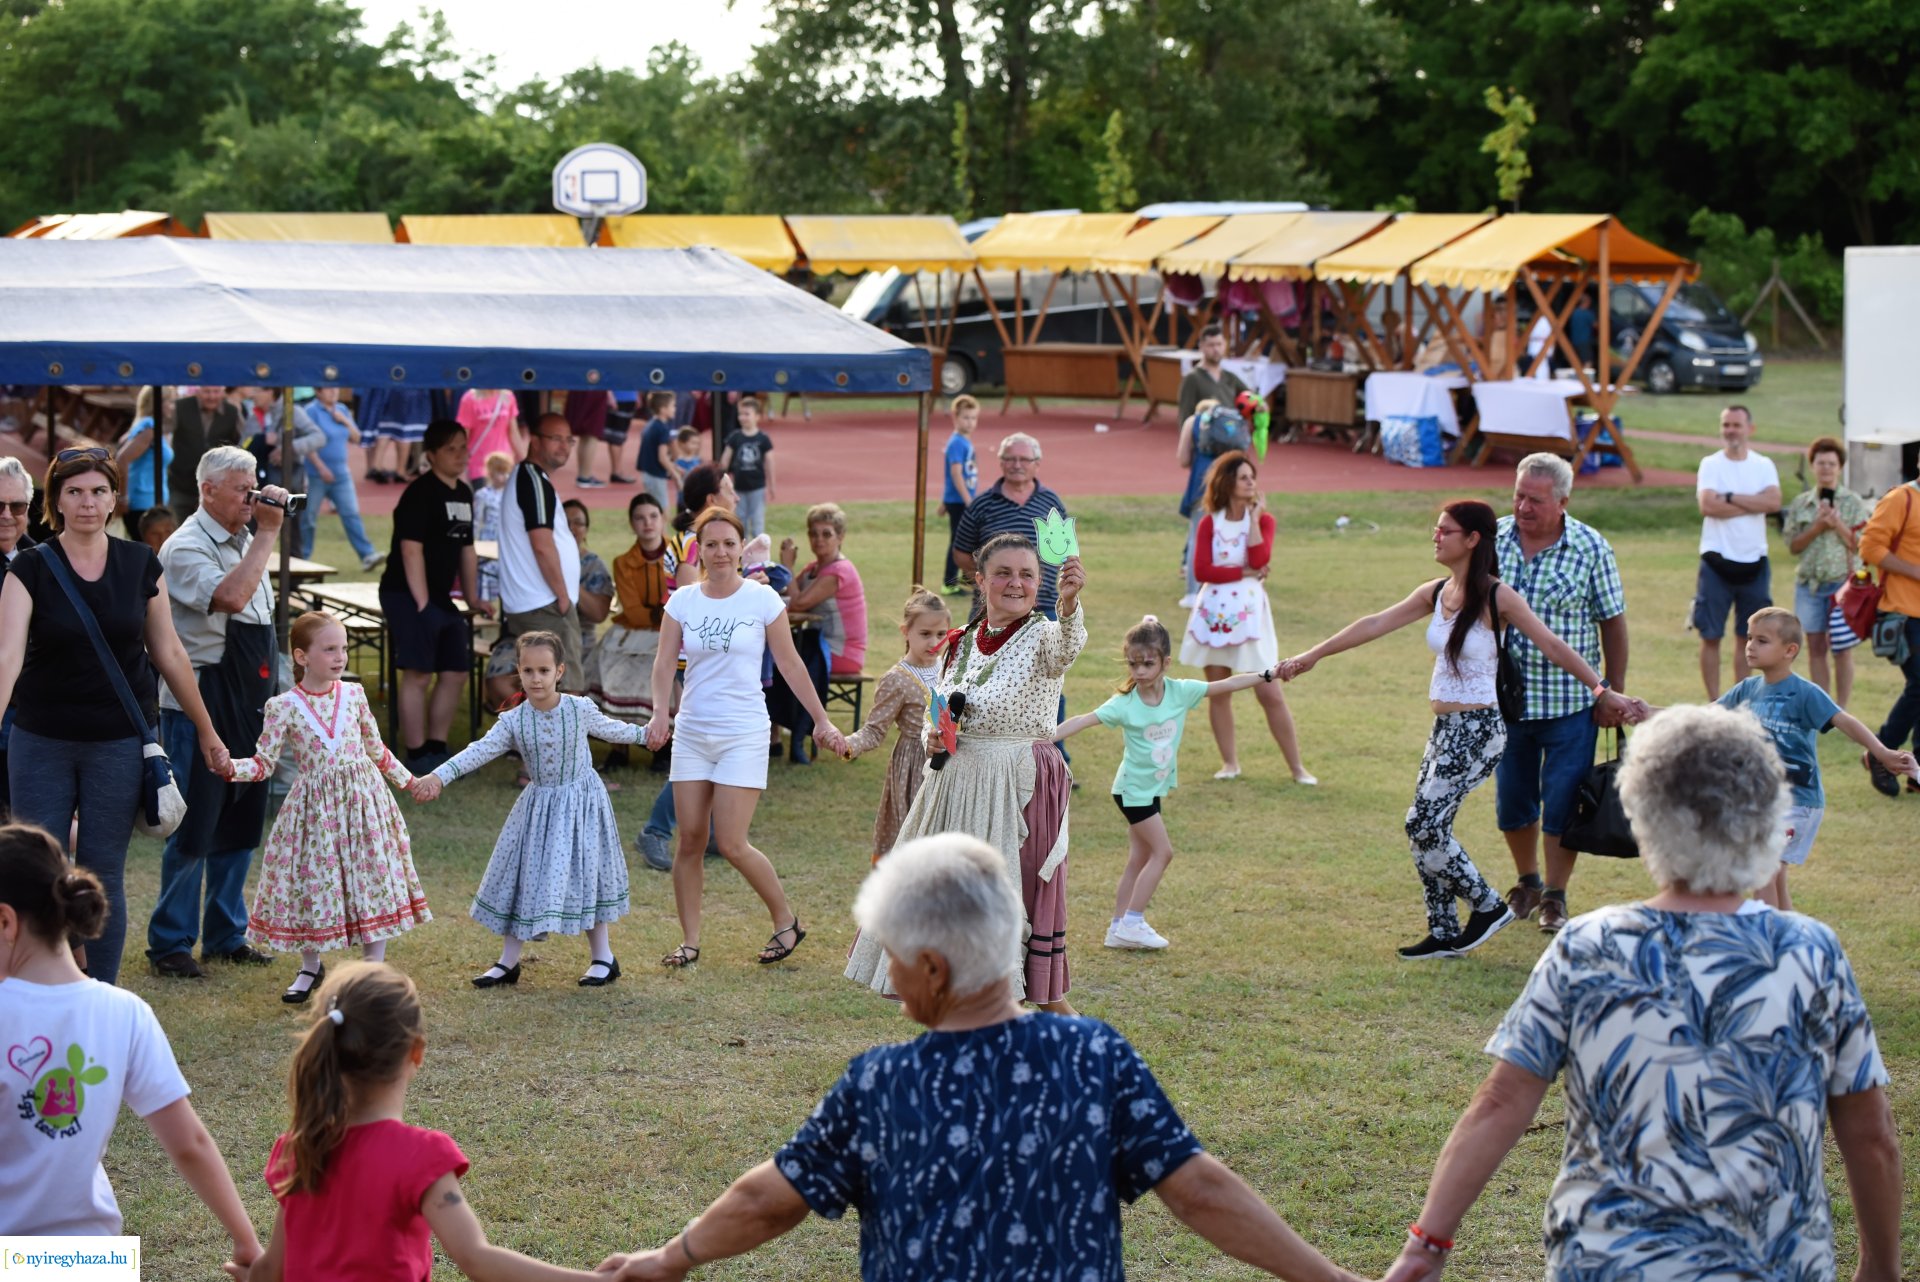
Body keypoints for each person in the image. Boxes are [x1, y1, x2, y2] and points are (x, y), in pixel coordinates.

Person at [597, 833, 1364, 1282]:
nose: (890, 975)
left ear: (932, 968)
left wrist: (670, 1258)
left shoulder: (879, 1085)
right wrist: (1329, 1280)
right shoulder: (1093, 1054)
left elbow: (769, 1200)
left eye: (895, 957)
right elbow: (1200, 1190)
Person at [1381, 704, 1902, 1282]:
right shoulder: (1811, 953)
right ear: (1767, 818)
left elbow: (1501, 1104)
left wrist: (1426, 1245)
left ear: (1641, 813)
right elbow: (1870, 1133)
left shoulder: (1588, 944)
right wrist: (1881, 1265)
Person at [1279, 501, 1644, 960]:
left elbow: (1552, 644)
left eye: (1445, 531)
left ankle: (1488, 907)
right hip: (1445, 727)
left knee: (1422, 822)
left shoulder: (1498, 596)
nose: (1436, 536)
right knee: (1427, 828)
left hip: (1478, 729)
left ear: (1472, 539)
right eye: (1436, 529)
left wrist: (1602, 690)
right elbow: (1373, 623)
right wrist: (1312, 655)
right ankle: (1444, 929)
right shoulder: (1435, 592)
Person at [0, 449, 230, 985]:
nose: (87, 502)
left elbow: (169, 652)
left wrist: (206, 729)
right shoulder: (30, 567)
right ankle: (38, 988)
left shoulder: (139, 564)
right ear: (55, 500)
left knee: (104, 873)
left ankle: (99, 994)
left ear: (114, 499)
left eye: (99, 491)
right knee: (39, 871)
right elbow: (7, 658)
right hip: (42, 739)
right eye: (75, 491)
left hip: (119, 741)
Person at [0, 824, 263, 1264]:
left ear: (5, 921)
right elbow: (190, 1143)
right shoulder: (125, 1012)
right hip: (94, 1258)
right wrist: (247, 1241)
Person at [845, 534, 1085, 1009]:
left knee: (1011, 929)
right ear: (980, 580)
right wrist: (930, 737)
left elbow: (1066, 648)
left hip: (1015, 788)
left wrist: (1071, 603)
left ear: (1041, 582)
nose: (1015, 583)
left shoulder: (1042, 634)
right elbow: (940, 715)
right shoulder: (961, 643)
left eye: (1027, 574)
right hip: (954, 788)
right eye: (1003, 573)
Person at [249, 962, 601, 1282]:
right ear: (416, 1052)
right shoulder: (421, 1156)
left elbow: (271, 1269)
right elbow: (476, 1258)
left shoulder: (298, 1146)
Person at [645, 506, 847, 969]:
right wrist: (661, 713)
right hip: (693, 731)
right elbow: (662, 664)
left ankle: (786, 921)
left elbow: (792, 664)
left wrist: (820, 720)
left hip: (743, 732)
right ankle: (690, 941)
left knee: (732, 842)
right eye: (711, 544)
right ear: (700, 549)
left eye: (729, 544)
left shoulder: (762, 600)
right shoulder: (682, 602)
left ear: (741, 550)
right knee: (690, 839)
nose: (720, 552)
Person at [414, 632, 644, 988]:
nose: (536, 678)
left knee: (588, 876)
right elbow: (479, 750)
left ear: (559, 671)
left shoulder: (579, 709)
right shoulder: (514, 720)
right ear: (518, 673)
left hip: (581, 805)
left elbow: (612, 730)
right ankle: (508, 963)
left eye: (544, 670)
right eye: (528, 670)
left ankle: (603, 957)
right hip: (538, 809)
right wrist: (439, 776)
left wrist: (650, 734)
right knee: (523, 878)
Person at [224, 613, 428, 1002]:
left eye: (344, 648)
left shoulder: (354, 695)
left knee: (371, 876)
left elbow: (376, 749)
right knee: (312, 882)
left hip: (363, 804)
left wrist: (410, 782)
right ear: (301, 656)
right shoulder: (282, 706)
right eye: (330, 649)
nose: (340, 657)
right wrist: (230, 767)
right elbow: (264, 763)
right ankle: (310, 965)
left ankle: (372, 968)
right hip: (315, 811)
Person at [145, 447, 289, 981]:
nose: (252, 497)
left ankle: (227, 934)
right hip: (198, 703)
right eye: (241, 489)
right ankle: (171, 943)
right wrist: (270, 535)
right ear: (207, 490)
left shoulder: (247, 539)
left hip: (248, 702)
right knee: (195, 826)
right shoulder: (184, 547)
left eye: (254, 486)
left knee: (240, 823)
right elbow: (231, 597)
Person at [1056, 614, 1285, 951]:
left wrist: (1266, 675)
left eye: (1147, 664)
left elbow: (1226, 685)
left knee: (1139, 858)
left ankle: (1117, 928)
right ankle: (1133, 920)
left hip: (1151, 789)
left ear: (1165, 663)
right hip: (1133, 792)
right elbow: (1081, 720)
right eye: (1133, 664)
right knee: (1163, 853)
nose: (1139, 672)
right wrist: (1043, 738)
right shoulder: (1124, 704)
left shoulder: (1180, 692)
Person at [1493, 453, 1629, 935]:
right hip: (1506, 703)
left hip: (1571, 703)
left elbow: (1613, 623)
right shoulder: (1492, 539)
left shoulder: (1591, 547)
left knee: (1564, 801)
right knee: (1512, 800)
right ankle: (1526, 882)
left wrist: (1611, 691)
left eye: (1536, 499)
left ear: (1563, 501)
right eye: (1519, 495)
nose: (1524, 507)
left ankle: (1554, 894)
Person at [1704, 608, 1916, 910]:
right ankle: (1791, 943)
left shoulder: (1804, 693)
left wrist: (1881, 752)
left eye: (1762, 640)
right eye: (1750, 638)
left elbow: (1845, 721)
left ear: (1790, 651)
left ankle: (1769, 942)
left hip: (1798, 801)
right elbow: (1702, 716)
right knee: (1774, 876)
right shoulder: (1748, 690)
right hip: (1767, 799)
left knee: (1764, 870)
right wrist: (1644, 712)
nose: (1750, 645)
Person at [1181, 450, 1314, 785]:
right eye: (1244, 477)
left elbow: (1261, 556)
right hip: (1213, 611)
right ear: (1228, 482)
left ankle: (1297, 768)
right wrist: (1244, 571)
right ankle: (1229, 763)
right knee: (1218, 689)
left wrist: (1253, 521)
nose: (1251, 482)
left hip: (1250, 613)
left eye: (1252, 476)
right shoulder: (1210, 521)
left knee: (1268, 690)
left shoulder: (1264, 521)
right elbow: (1202, 570)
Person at [631, 467, 736, 873]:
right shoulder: (695, 543)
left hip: (692, 662)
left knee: (708, 746)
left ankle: (710, 833)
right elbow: (697, 604)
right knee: (698, 751)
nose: (737, 497)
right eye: (729, 490)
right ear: (711, 499)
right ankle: (655, 830)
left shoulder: (692, 539)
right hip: (694, 665)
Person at [950, 432, 1074, 763]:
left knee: (1047, 681)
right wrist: (992, 579)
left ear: (1036, 464)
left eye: (1024, 460)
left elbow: (1063, 548)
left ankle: (1052, 752)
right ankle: (976, 744)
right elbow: (961, 551)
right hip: (994, 612)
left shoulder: (1051, 501)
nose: (1017, 466)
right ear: (1001, 462)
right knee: (989, 680)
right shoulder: (982, 504)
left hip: (1043, 605)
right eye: (1010, 459)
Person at [380, 419, 486, 773]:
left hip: (440, 597)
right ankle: (416, 752)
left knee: (456, 670)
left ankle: (438, 746)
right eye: (451, 449)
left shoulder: (463, 493)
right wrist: (423, 604)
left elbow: (467, 550)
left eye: (463, 447)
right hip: (404, 593)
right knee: (419, 673)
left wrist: (471, 598)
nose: (460, 455)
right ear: (431, 455)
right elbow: (411, 551)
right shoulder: (420, 493)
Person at [843, 588, 950, 865]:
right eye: (925, 634)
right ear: (906, 631)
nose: (934, 642)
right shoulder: (897, 679)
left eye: (941, 634)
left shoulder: (951, 666)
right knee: (917, 841)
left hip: (952, 761)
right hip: (915, 765)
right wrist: (848, 744)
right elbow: (875, 730)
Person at [1694, 404, 1780, 698]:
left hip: (1754, 561)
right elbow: (1707, 506)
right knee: (1710, 635)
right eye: (1726, 425)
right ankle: (1715, 702)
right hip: (1716, 560)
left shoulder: (1763, 465)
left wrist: (1728, 497)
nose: (1731, 430)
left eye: (1736, 425)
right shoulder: (1711, 464)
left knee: (1750, 637)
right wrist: (1751, 502)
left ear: (1749, 429)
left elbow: (1773, 503)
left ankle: (1741, 702)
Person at [1783, 436, 1871, 709]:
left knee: (1842, 649)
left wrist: (1838, 525)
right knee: (1815, 647)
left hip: (1842, 588)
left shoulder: (1853, 502)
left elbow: (1863, 546)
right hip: (1809, 586)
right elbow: (1793, 546)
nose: (1826, 469)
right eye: (1821, 463)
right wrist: (1817, 527)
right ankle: (1824, 708)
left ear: (1840, 467)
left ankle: (1842, 709)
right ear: (1812, 466)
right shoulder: (1801, 504)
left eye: (1831, 464)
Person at [499, 413, 585, 693]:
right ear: (534, 441)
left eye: (568, 440)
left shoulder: (533, 479)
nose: (564, 446)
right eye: (555, 438)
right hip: (544, 604)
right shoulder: (533, 480)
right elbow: (542, 544)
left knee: (547, 695)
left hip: (538, 603)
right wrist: (562, 597)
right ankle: (559, 740)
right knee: (562, 694)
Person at [1176, 324, 1249, 604]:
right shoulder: (1193, 379)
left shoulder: (1230, 378)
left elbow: (1250, 400)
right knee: (1203, 526)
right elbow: (1185, 415)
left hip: (1225, 466)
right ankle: (1192, 569)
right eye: (1211, 345)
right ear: (1202, 347)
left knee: (1205, 526)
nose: (1216, 349)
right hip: (1206, 463)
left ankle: (1204, 579)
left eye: (1220, 344)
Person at [591, 492, 671, 744]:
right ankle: (620, 744)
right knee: (612, 663)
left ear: (662, 519)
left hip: (670, 630)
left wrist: (668, 613)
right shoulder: (623, 563)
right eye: (640, 518)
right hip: (635, 630)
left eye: (653, 516)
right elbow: (634, 612)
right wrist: (665, 611)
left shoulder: (679, 556)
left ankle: (666, 741)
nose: (647, 523)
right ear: (632, 524)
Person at [1859, 470, 1920, 797]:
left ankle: (1916, 772)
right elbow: (1869, 546)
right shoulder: (1901, 499)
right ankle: (1880, 753)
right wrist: (1913, 570)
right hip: (1902, 611)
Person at [294, 388, 383, 571]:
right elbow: (308, 443)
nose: (334, 392)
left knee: (351, 514)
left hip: (341, 473)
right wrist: (320, 467)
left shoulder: (341, 410)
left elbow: (357, 438)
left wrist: (344, 421)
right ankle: (303, 557)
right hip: (316, 474)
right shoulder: (312, 411)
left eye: (335, 389)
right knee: (309, 517)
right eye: (329, 389)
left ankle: (367, 555)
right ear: (318, 392)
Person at [780, 501, 867, 679]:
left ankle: (794, 707)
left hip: (841, 652)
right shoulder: (813, 569)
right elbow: (785, 595)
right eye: (814, 534)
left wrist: (788, 566)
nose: (819, 539)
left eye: (826, 534)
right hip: (818, 645)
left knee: (781, 660)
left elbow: (797, 604)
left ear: (840, 537)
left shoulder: (840, 571)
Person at [0, 456, 36, 817]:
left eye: (17, 505)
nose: (7, 514)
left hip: (34, 723)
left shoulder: (47, 561)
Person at [168, 385, 242, 522]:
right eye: (207, 392)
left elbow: (236, 447)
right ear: (198, 391)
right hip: (181, 483)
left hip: (214, 487)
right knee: (175, 525)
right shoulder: (181, 407)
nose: (211, 396)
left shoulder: (232, 413)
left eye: (216, 391)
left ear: (223, 392)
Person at [114, 385, 172, 539]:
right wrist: (123, 497)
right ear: (158, 403)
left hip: (151, 500)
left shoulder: (146, 426)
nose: (173, 407)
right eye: (170, 402)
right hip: (143, 503)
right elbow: (122, 459)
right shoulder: (148, 429)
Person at [718, 395, 775, 539]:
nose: (742, 417)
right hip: (739, 489)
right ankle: (742, 555)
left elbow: (769, 462)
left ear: (757, 416)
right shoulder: (735, 437)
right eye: (740, 414)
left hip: (757, 487)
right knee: (740, 522)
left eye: (747, 414)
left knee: (757, 522)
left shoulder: (763, 438)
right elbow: (725, 460)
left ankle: (760, 556)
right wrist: (720, 478)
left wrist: (772, 485)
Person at [940, 394, 979, 594]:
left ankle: (965, 576)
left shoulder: (964, 441)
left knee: (968, 539)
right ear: (955, 417)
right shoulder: (957, 443)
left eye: (973, 418)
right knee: (958, 541)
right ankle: (949, 583)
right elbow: (955, 473)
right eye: (966, 417)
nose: (970, 422)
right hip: (960, 501)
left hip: (958, 500)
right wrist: (968, 501)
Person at [357, 386, 434, 484]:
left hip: (387, 385)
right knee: (406, 425)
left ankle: (377, 465)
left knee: (385, 424)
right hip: (408, 386)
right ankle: (400, 471)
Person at [456, 388, 525, 483]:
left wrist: (527, 463)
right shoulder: (469, 399)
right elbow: (462, 439)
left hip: (505, 467)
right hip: (480, 469)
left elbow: (514, 434)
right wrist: (461, 473)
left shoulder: (508, 396)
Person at [473, 449, 513, 609]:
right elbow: (477, 520)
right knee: (486, 571)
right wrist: (473, 542)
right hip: (488, 538)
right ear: (490, 473)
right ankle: (485, 605)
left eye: (505, 473)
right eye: (498, 473)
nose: (502, 477)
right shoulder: (483, 494)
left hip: (505, 539)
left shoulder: (511, 493)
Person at [636, 390, 679, 509]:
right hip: (656, 475)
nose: (675, 409)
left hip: (647, 473)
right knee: (662, 510)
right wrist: (675, 475)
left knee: (652, 507)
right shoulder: (663, 429)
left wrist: (674, 466)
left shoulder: (650, 424)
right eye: (672, 406)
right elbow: (662, 457)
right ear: (663, 409)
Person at [565, 388, 613, 488]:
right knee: (592, 434)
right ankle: (585, 476)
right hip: (595, 387)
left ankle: (583, 474)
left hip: (581, 387)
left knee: (586, 435)